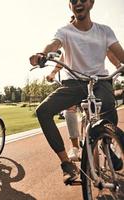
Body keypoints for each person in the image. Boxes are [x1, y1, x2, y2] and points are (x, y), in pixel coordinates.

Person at [29, 0, 124, 184]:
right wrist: (42, 54)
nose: (78, 3)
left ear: (91, 3)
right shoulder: (65, 31)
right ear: (70, 5)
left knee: (108, 112)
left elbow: (119, 53)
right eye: (73, 0)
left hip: (100, 82)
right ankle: (66, 163)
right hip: (74, 84)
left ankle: (107, 142)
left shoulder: (105, 31)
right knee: (43, 111)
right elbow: (53, 44)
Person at [46, 50, 122, 162]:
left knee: (108, 107)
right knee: (70, 108)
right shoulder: (70, 37)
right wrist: (53, 72)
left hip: (97, 80)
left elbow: (108, 51)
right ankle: (75, 146)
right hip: (74, 80)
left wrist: (118, 66)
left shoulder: (98, 35)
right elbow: (64, 56)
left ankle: (107, 142)